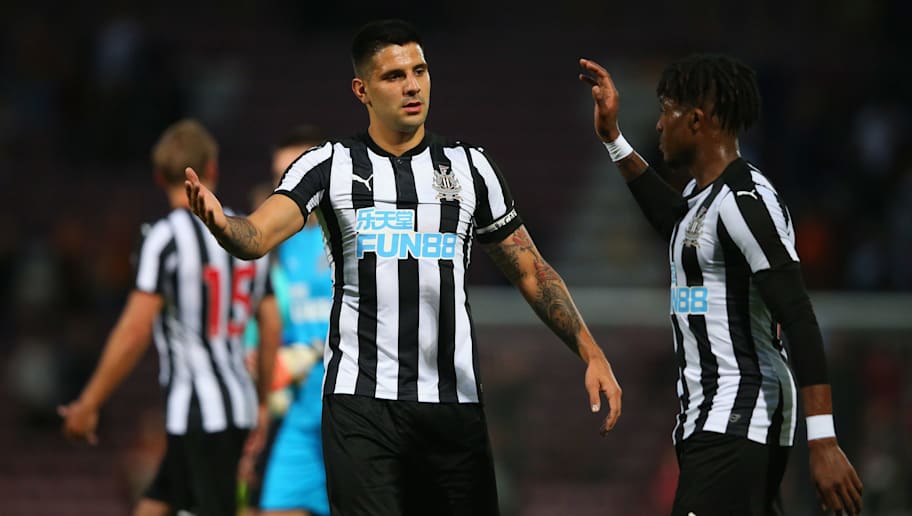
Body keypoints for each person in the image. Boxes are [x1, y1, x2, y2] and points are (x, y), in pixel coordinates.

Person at [185, 19, 622, 516]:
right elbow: (258, 234)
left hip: (452, 408)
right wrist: (222, 223)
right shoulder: (327, 165)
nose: (412, 85)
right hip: (361, 407)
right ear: (362, 89)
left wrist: (590, 351)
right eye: (394, 76)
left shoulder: (470, 166)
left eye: (420, 71)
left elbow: (530, 270)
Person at [579, 54, 863, 515]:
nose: (658, 125)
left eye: (666, 110)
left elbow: (798, 316)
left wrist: (824, 440)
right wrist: (612, 139)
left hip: (738, 416)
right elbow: (672, 218)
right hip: (713, 420)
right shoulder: (701, 199)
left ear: (695, 120)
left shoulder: (746, 201)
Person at [59, 118, 281, 516]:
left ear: (159, 178)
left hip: (199, 408)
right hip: (237, 402)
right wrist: (262, 400)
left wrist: (89, 403)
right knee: (156, 502)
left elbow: (134, 328)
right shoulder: (245, 230)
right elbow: (270, 323)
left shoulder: (164, 238)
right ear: (212, 169)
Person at [246, 125, 333, 516]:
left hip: (355, 423)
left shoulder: (359, 236)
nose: (288, 187)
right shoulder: (277, 252)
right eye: (281, 177)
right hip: (300, 420)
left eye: (297, 173)